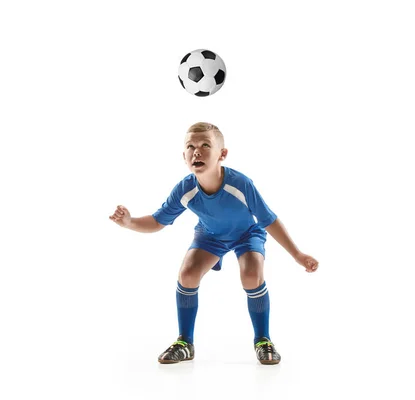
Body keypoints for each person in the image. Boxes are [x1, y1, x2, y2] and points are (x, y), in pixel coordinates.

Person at [109, 122, 319, 365]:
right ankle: (185, 342)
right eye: (190, 147)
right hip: (210, 236)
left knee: (251, 275)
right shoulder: (185, 189)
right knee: (187, 274)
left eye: (205, 145)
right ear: (184, 156)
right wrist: (129, 222)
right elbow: (157, 222)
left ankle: (263, 340)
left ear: (222, 154)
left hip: (246, 234)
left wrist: (298, 255)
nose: (196, 151)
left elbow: (269, 220)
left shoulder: (240, 184)